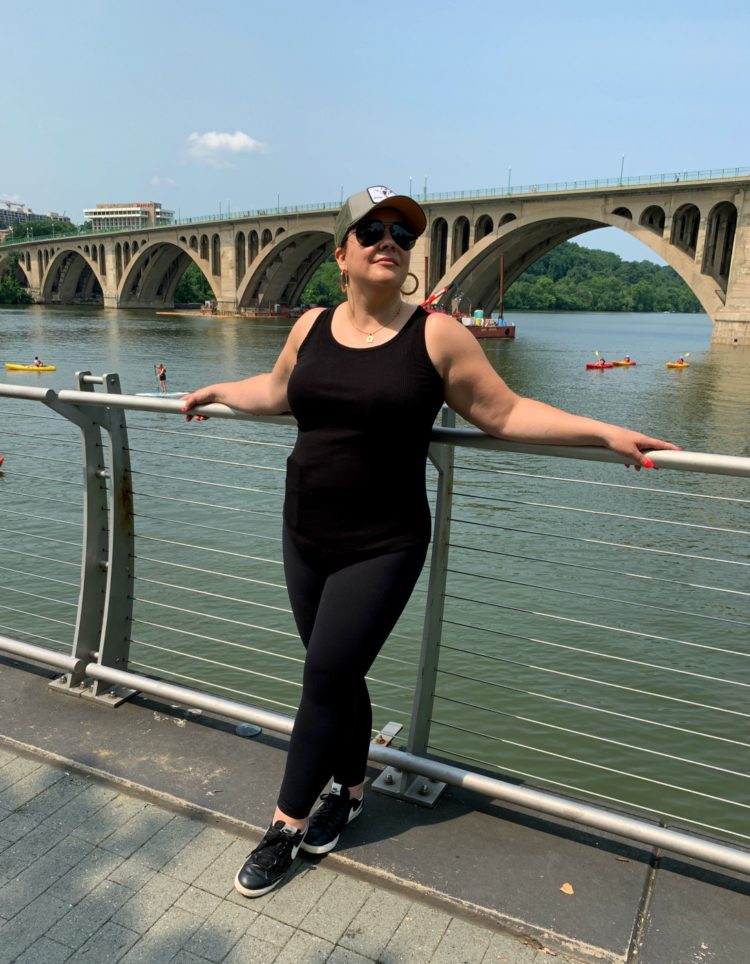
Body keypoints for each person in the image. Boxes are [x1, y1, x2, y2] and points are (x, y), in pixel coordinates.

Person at [181, 184, 679, 899]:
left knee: (323, 677)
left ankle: (284, 824)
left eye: (402, 235)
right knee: (337, 674)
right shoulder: (311, 325)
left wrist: (603, 431)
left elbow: (503, 413)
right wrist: (219, 389)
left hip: (383, 543)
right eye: (373, 230)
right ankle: (350, 792)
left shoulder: (437, 333)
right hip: (303, 530)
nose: (390, 241)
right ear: (342, 253)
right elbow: (279, 392)